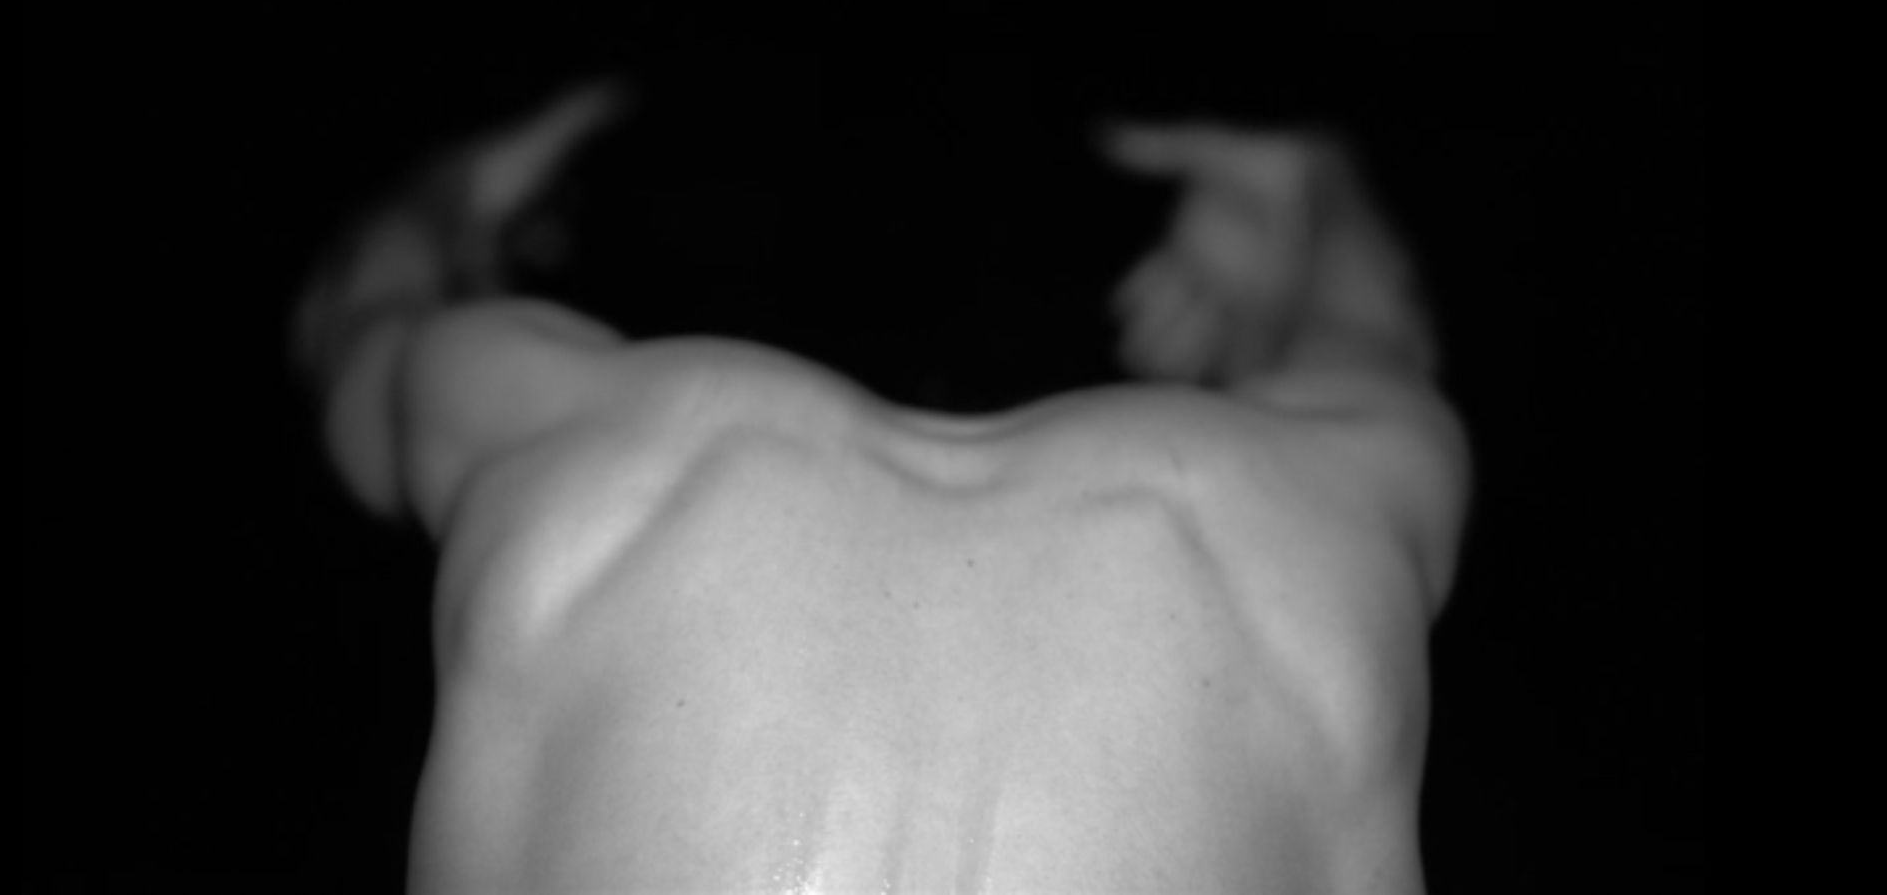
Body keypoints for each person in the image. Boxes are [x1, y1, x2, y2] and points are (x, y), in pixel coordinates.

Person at [291, 77, 1469, 894]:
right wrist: (1302, 203)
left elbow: (353, 324)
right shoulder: (1288, 544)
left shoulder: (592, 477)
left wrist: (447, 200)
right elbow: (1376, 341)